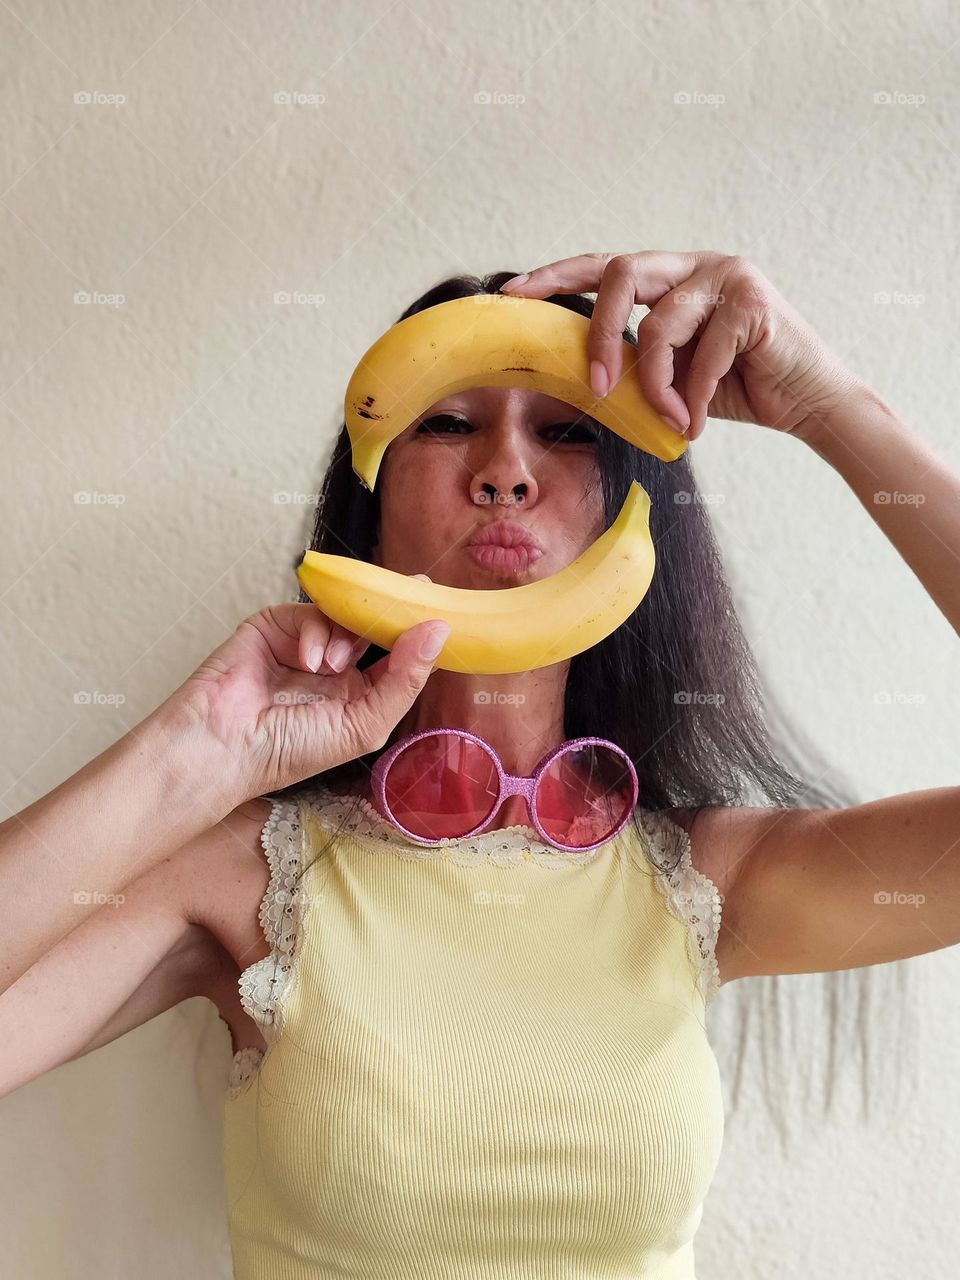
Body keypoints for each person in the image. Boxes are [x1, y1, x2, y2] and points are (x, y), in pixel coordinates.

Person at [2, 250, 958, 1280]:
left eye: (566, 429)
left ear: (630, 504)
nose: (505, 468)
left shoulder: (709, 875)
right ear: (370, 493)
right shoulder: (242, 874)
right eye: (449, 423)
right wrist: (186, 757)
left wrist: (829, 406)